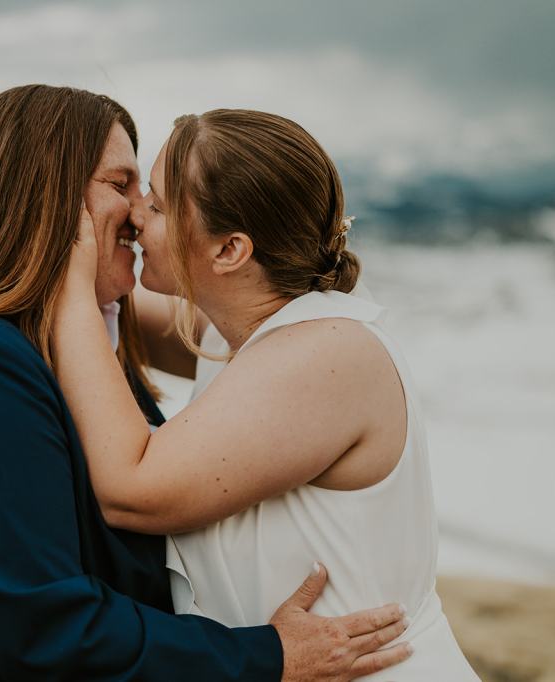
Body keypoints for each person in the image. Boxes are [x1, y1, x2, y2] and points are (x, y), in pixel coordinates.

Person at [0, 86, 411, 680]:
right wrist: (266, 657)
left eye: (152, 195)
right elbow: (40, 626)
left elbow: (233, 313)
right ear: (48, 202)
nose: (140, 211)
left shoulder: (79, 338)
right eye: (122, 185)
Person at [52, 109, 478, 679]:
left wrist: (73, 281)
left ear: (229, 251)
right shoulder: (248, 332)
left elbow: (131, 489)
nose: (134, 216)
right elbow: (115, 315)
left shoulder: (327, 354)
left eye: (156, 206)